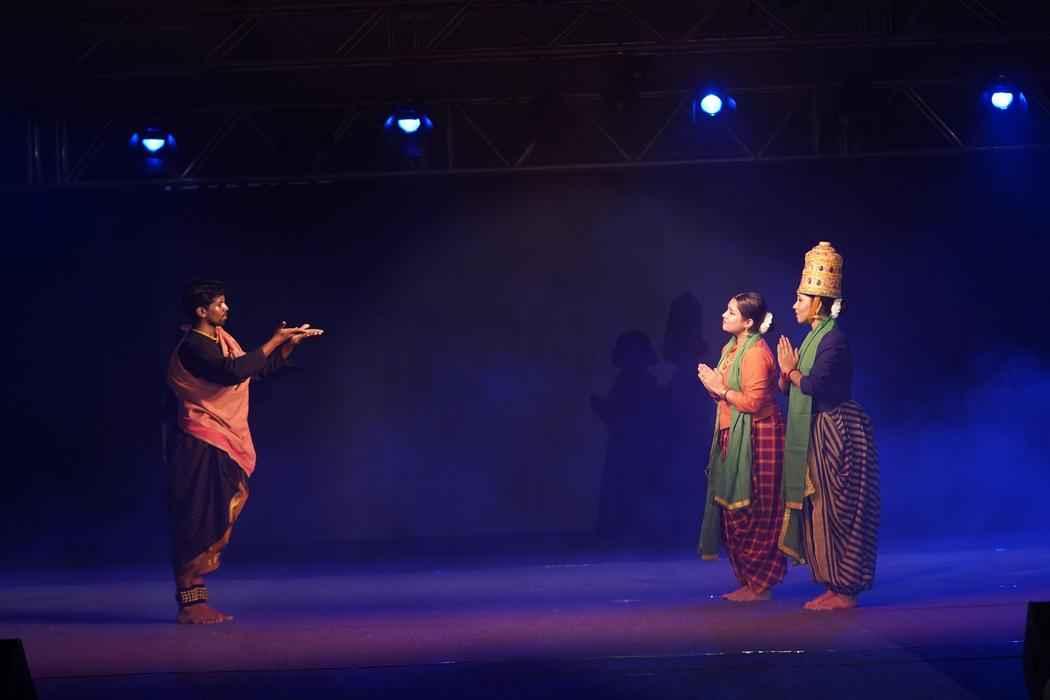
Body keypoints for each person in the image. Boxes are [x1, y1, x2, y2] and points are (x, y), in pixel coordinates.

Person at [163, 279, 323, 624]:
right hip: (200, 438)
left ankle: (196, 602)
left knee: (217, 513)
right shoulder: (194, 345)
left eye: (225, 302)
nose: (226, 309)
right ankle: (190, 605)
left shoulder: (222, 341)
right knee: (199, 516)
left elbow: (253, 371)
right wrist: (273, 341)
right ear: (201, 311)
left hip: (221, 438)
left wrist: (286, 347)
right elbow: (232, 372)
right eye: (219, 304)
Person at [776, 242, 880, 611]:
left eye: (800, 299)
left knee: (838, 508)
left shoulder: (833, 340)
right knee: (819, 508)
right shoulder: (811, 339)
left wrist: (791, 372)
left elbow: (817, 386)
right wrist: (787, 376)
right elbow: (798, 385)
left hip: (836, 431)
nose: (794, 305)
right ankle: (832, 583)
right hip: (816, 430)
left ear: (818, 303)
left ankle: (845, 588)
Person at [697, 292, 786, 602]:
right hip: (732, 435)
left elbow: (753, 403)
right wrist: (714, 386)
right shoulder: (731, 349)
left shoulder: (755, 354)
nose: (724, 315)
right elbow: (726, 394)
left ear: (748, 322)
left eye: (731, 312)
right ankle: (749, 581)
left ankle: (760, 584)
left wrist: (720, 389)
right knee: (732, 511)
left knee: (754, 511)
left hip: (757, 436)